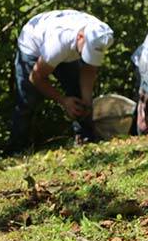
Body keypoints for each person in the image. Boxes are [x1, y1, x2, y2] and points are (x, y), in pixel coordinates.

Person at [9, 9, 114, 152]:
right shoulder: (58, 43)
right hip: (33, 43)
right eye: (86, 51)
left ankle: (85, 140)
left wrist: (87, 101)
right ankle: (18, 149)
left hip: (64, 49)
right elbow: (36, 77)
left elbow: (89, 69)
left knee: (78, 91)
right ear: (80, 37)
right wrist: (63, 101)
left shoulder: (100, 35)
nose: (87, 55)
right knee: (27, 101)